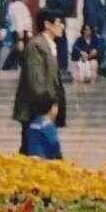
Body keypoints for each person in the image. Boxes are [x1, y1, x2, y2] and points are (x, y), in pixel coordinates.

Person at [13, 10, 66, 155]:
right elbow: (35, 81)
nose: (62, 26)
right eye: (59, 22)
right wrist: (48, 105)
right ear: (47, 24)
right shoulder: (36, 45)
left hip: (46, 110)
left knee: (41, 153)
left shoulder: (50, 45)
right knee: (32, 152)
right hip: (36, 110)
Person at [45, 0, 74, 74]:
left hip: (60, 19)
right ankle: (61, 67)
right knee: (60, 43)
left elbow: (68, 7)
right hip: (55, 19)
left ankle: (61, 67)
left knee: (61, 43)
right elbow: (61, 2)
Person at [2, 0, 32, 71]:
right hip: (20, 31)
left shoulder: (17, 6)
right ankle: (7, 66)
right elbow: (18, 20)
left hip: (21, 31)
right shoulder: (18, 6)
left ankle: (14, 66)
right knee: (18, 49)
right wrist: (20, 36)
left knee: (20, 50)